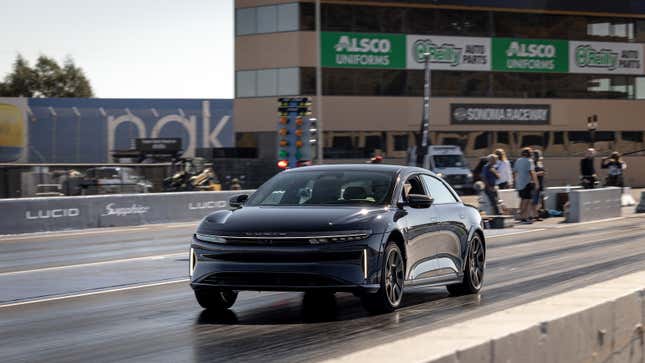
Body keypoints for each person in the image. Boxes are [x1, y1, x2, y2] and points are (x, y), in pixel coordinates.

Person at [513, 147, 539, 224]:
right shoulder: (529, 161)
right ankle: (523, 216)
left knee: (522, 199)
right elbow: (532, 172)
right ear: (529, 154)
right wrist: (536, 183)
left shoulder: (518, 160)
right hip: (527, 183)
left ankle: (522, 216)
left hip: (519, 183)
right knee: (527, 200)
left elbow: (514, 172)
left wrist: (515, 182)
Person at [532, 149, 546, 221]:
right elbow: (532, 174)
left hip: (541, 183)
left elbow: (543, 171)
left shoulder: (540, 163)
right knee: (535, 201)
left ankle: (536, 214)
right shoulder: (532, 164)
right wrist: (538, 173)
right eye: (536, 156)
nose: (537, 157)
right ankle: (534, 215)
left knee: (539, 201)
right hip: (535, 184)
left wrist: (542, 172)